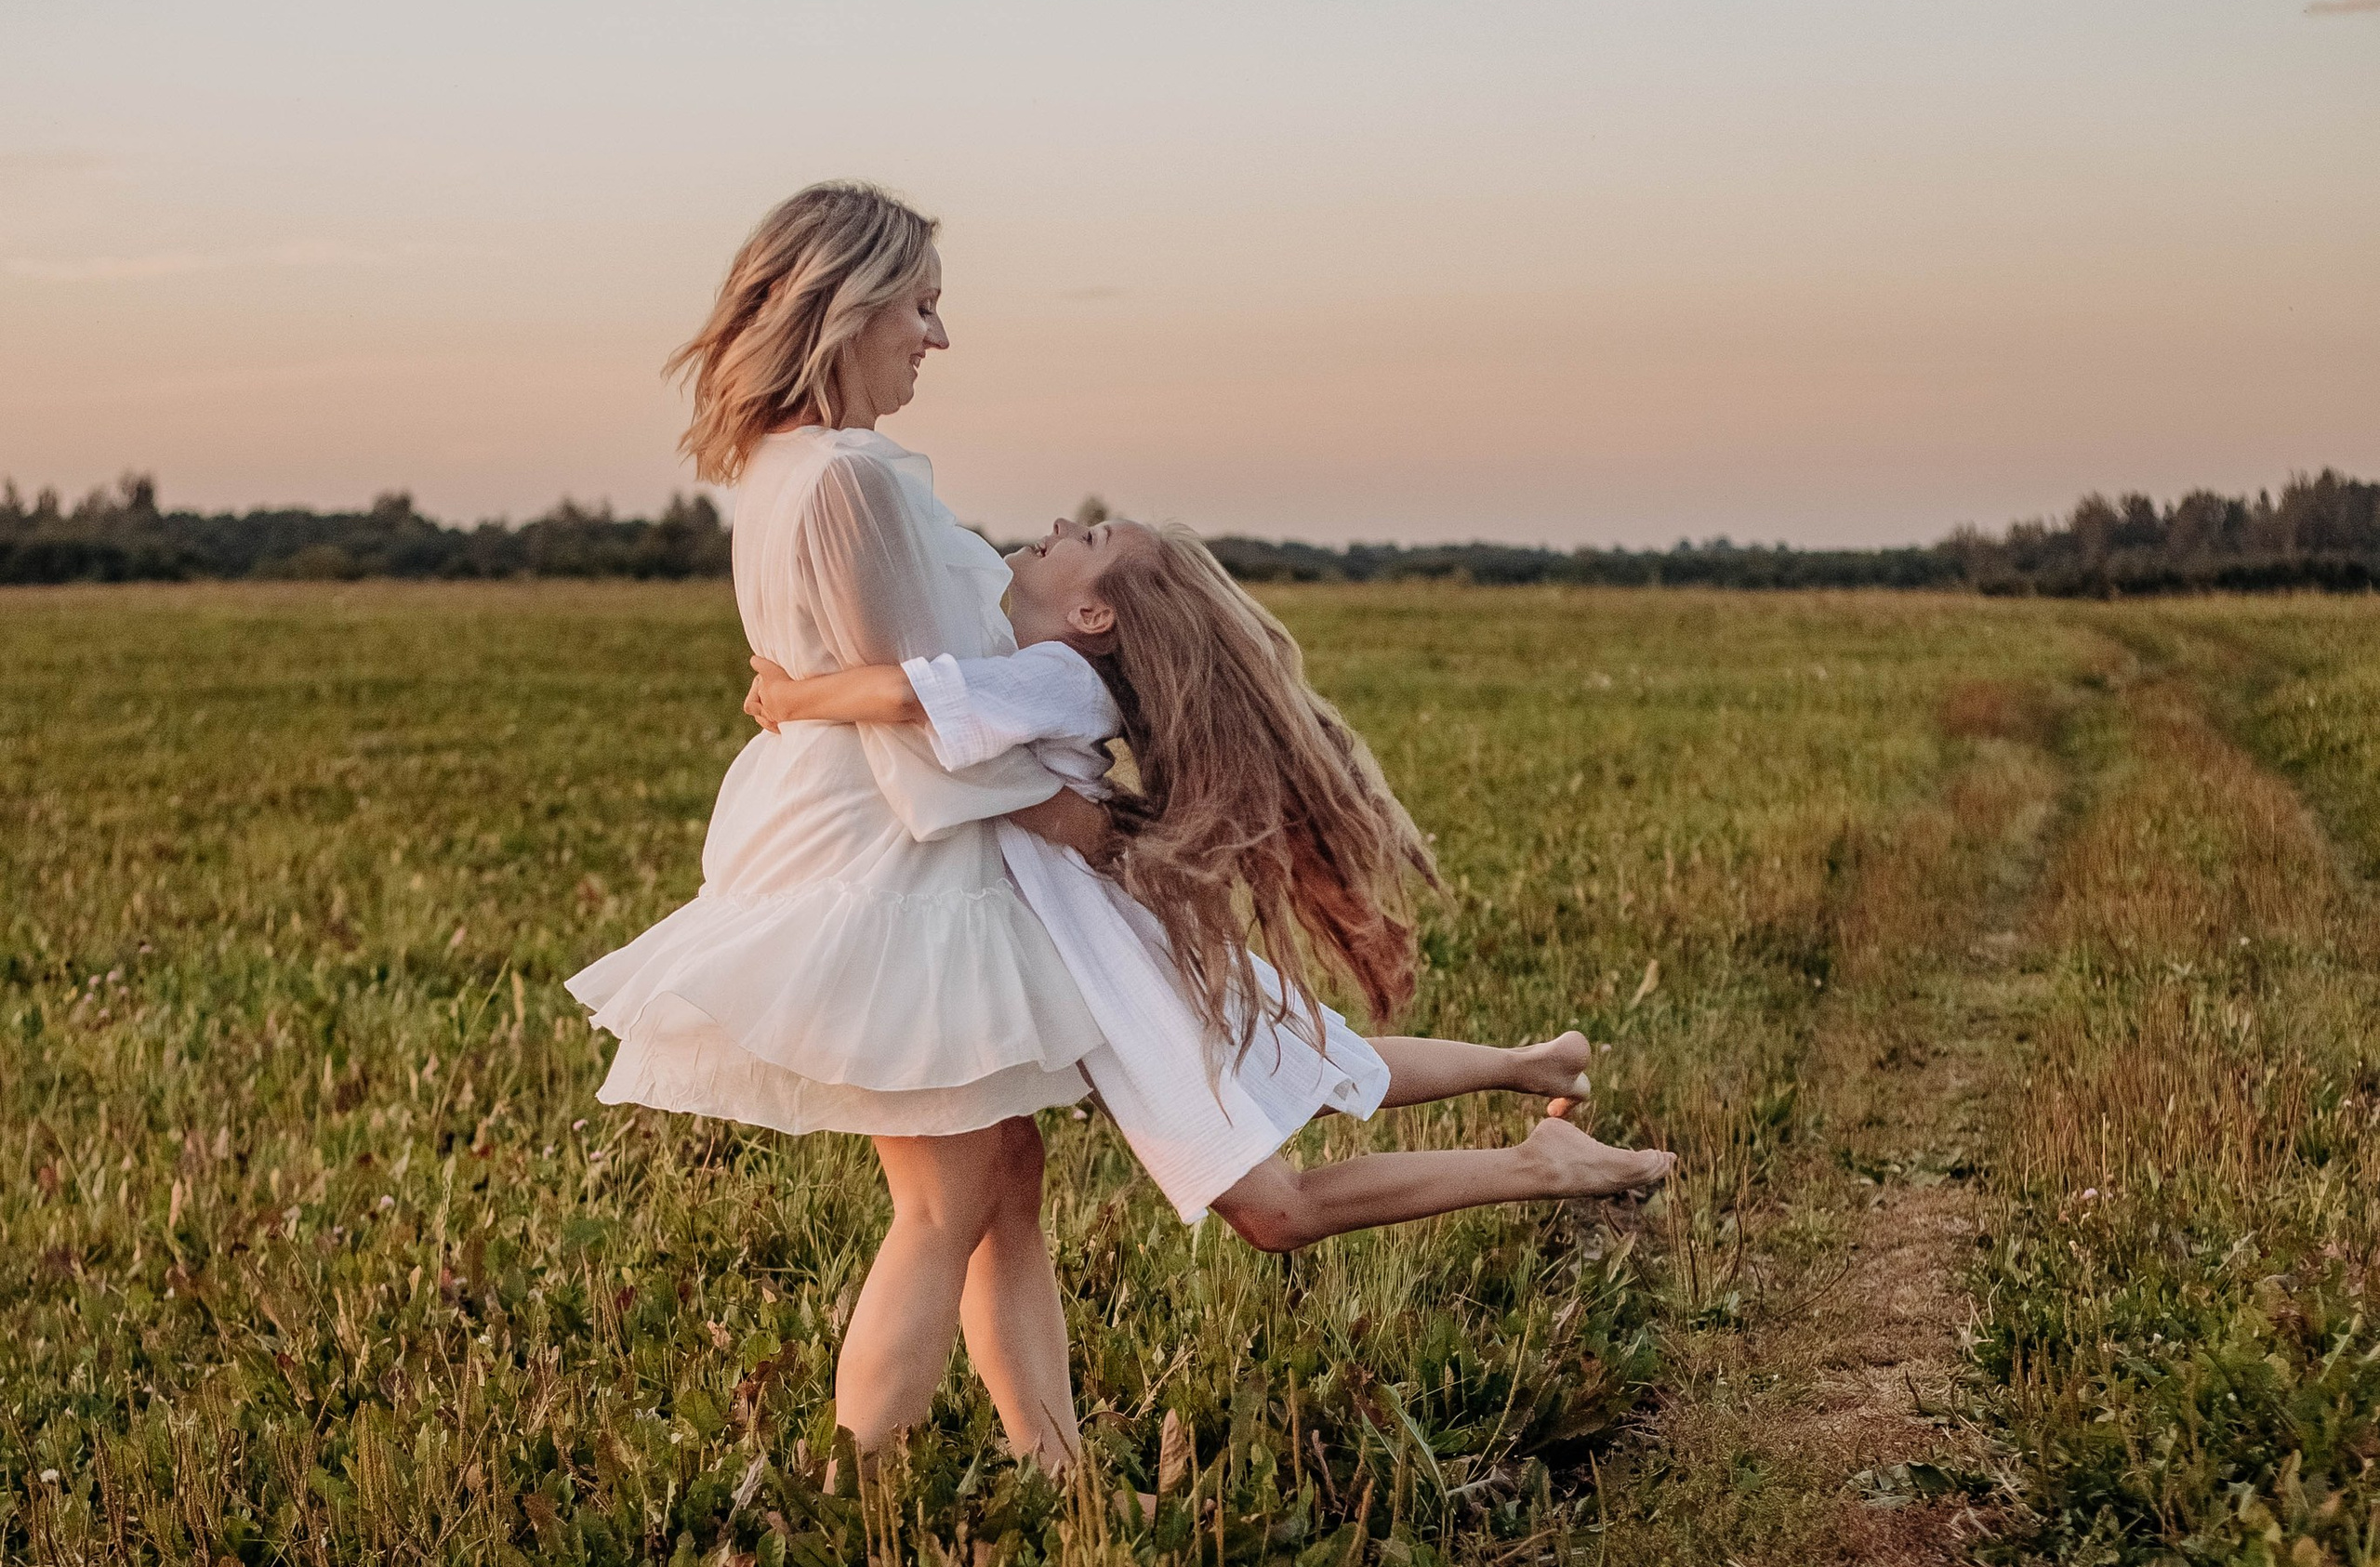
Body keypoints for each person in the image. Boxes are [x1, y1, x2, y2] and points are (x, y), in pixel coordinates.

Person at [569, 181, 1115, 1469]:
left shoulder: (786, 469)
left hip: (861, 841)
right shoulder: (851, 473)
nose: (937, 339)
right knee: (946, 1200)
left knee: (1003, 1179)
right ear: (848, 305)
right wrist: (1070, 817)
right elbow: (919, 719)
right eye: (921, 308)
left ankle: (1058, 1470)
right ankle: (861, 1483)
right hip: (897, 861)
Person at [740, 508, 1675, 1249]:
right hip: (1111, 938)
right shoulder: (1045, 671)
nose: (1063, 523)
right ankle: (1535, 1065)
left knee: (1278, 1210)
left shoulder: (1057, 676)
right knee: (1321, 1062)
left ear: (1093, 615)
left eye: (1092, 538)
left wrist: (790, 698)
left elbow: (909, 697)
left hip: (1107, 967)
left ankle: (1544, 1162)